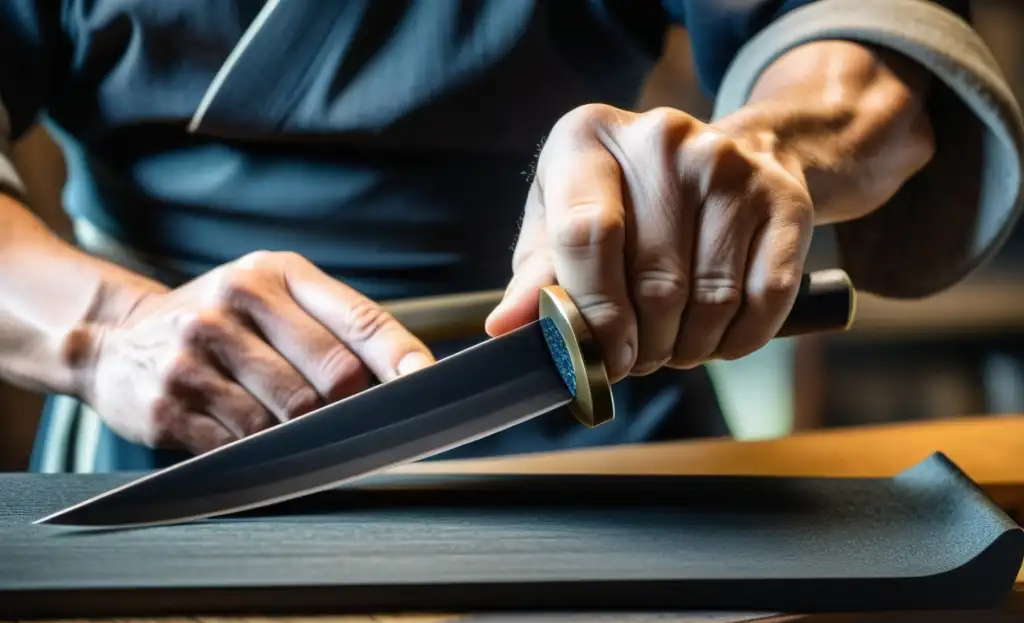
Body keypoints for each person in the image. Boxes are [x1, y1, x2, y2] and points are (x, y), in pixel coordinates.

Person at [0, 0, 1019, 473]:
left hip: (591, 386)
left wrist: (758, 151)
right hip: (189, 416)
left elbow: (862, 46)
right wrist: (104, 329)